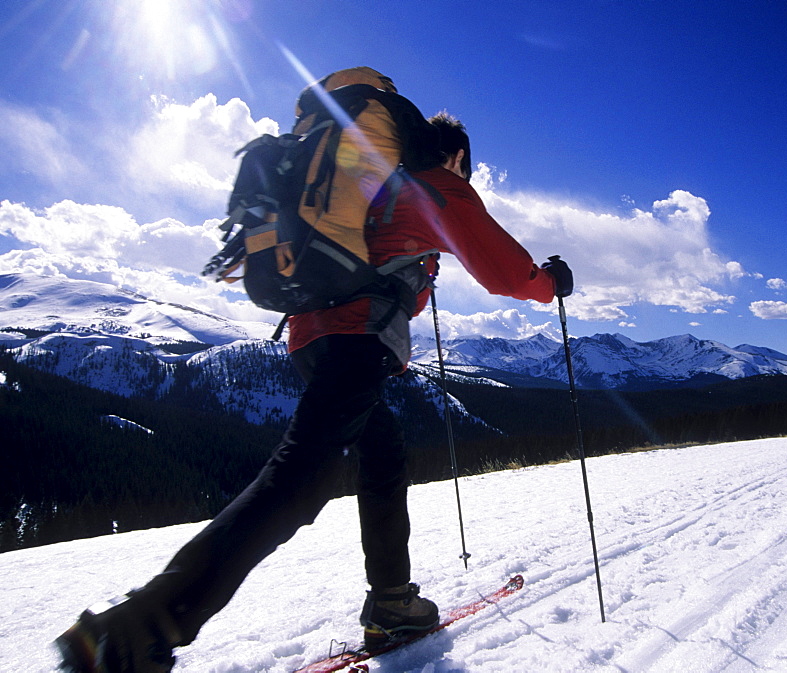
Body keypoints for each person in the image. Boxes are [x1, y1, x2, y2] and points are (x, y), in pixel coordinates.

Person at [55, 112, 573, 672]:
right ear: (454, 157)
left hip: (308, 337)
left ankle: (393, 601)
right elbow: (503, 271)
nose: (466, 176)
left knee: (382, 452)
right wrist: (550, 283)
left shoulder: (366, 183)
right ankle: (140, 627)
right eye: (466, 167)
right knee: (298, 480)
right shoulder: (437, 184)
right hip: (357, 338)